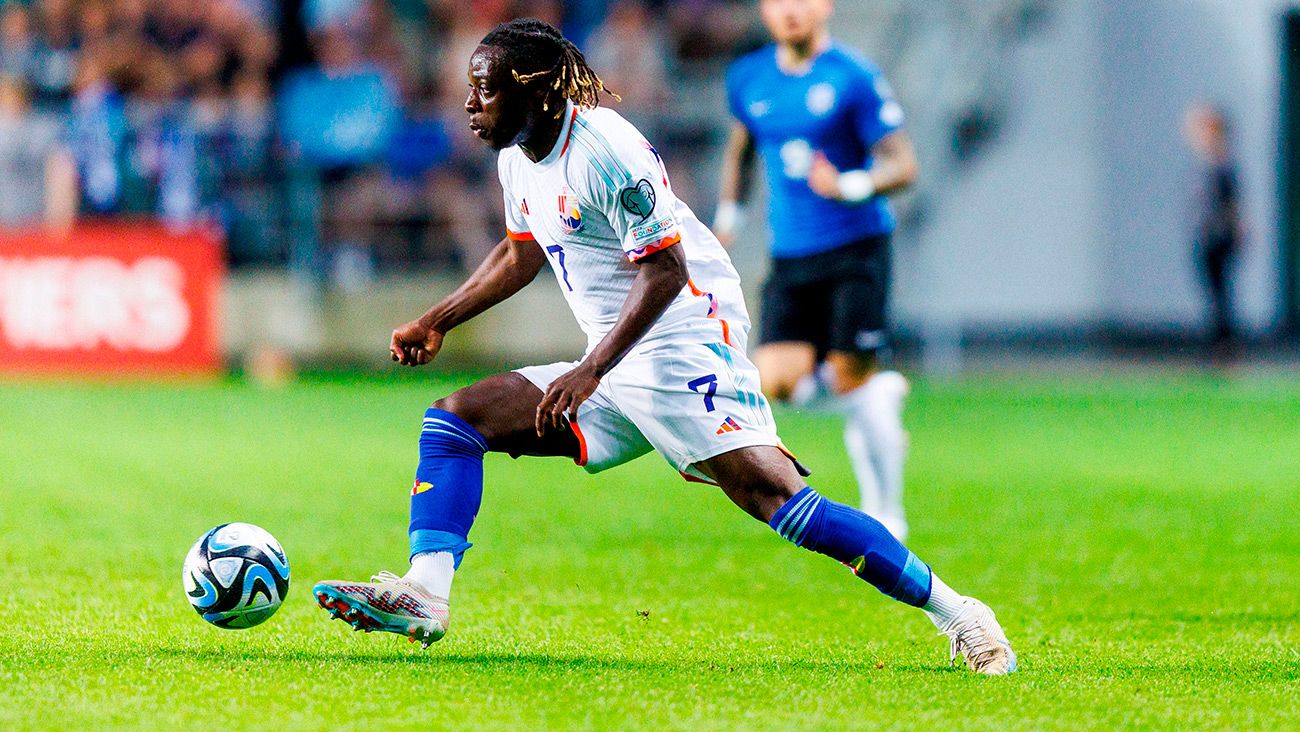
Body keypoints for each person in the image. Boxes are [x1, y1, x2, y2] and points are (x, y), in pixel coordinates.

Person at [312, 18, 1015, 675]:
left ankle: (961, 614)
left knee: (780, 501)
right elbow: (519, 252)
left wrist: (590, 371)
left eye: (485, 88)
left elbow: (666, 270)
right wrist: (440, 317)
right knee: (455, 419)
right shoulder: (518, 157)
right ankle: (425, 593)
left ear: (535, 91)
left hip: (681, 337)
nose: (470, 103)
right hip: (616, 352)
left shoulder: (608, 150)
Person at [714, 0, 917, 540]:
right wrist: (728, 217)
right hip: (792, 253)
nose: (790, 12)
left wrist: (853, 184)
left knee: (850, 381)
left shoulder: (854, 77)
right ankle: (877, 392)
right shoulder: (749, 76)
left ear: (824, 7)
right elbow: (742, 148)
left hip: (857, 247)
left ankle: (886, 508)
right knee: (777, 381)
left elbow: (903, 163)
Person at [1182, 103, 1242, 360]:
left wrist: (1233, 231)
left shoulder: (1221, 164)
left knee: (1220, 293)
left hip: (1218, 237)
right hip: (1206, 236)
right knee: (1213, 292)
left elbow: (1231, 205)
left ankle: (1223, 347)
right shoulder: (1206, 164)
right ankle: (1218, 344)